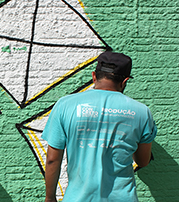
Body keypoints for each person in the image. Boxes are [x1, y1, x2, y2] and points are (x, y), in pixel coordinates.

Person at [42, 51, 157, 202]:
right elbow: (143, 161)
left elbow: (52, 159)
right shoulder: (142, 112)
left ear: (94, 76)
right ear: (125, 81)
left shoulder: (65, 105)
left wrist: (50, 198)